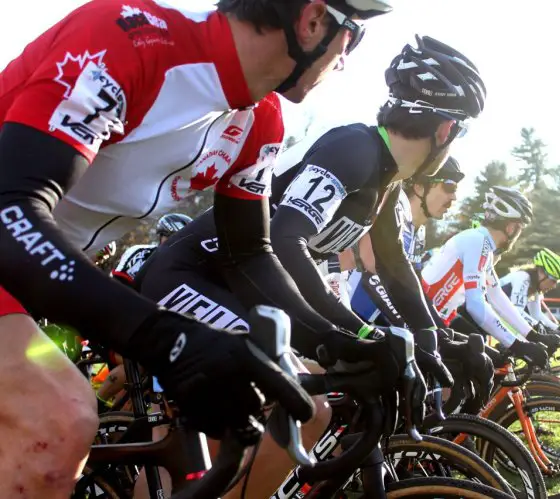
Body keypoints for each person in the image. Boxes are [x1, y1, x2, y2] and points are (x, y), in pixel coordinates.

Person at [0, 0, 393, 496]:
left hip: (25, 273)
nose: (345, 60)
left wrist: (337, 343)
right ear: (314, 20)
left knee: (291, 401)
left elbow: (248, 252)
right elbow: (10, 210)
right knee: (56, 422)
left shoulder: (260, 120)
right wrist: (168, 340)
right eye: (352, 39)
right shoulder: (131, 38)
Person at [132, 35, 484, 497]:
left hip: (247, 290)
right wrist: (352, 333)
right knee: (294, 404)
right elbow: (283, 240)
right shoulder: (354, 150)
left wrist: (435, 341)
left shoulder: (385, 183)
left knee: (313, 407)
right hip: (192, 275)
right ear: (446, 130)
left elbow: (398, 274)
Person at [421, 186, 555, 365]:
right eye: (519, 228)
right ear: (510, 228)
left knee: (490, 362)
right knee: (480, 367)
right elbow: (476, 305)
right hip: (424, 321)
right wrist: (517, 345)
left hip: (438, 318)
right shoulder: (478, 242)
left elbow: (496, 296)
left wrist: (532, 335)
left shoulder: (483, 246)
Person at [347, 156, 464, 325]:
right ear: (419, 187)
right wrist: (412, 326)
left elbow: (414, 288)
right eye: (449, 187)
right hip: (345, 309)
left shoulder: (419, 232)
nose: (454, 197)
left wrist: (438, 327)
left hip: (367, 318)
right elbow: (372, 279)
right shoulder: (394, 212)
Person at [498, 248, 560, 346]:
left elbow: (536, 315)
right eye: (553, 280)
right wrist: (542, 327)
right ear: (542, 273)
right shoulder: (523, 278)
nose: (554, 286)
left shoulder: (535, 288)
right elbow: (516, 312)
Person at [112, 213, 193, 285]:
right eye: (170, 237)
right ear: (161, 235)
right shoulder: (141, 253)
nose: (173, 243)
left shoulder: (190, 268)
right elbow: (118, 285)